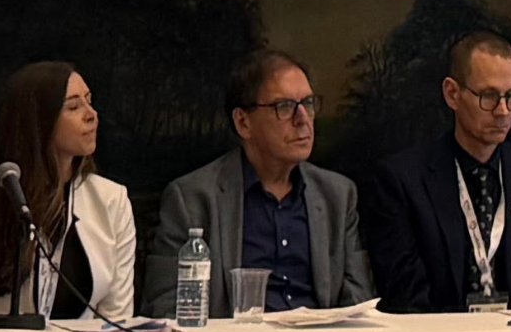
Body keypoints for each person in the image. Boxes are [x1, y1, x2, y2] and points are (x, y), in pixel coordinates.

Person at [141, 49, 373, 317]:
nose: (302, 119)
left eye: (308, 103)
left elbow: (358, 303)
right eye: (284, 107)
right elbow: (164, 310)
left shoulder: (338, 195)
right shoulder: (192, 198)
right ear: (243, 122)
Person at [366, 30, 511, 311]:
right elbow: (406, 298)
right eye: (489, 96)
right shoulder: (402, 180)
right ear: (452, 94)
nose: (503, 111)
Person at [0, 62, 136, 323]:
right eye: (73, 107)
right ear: (38, 123)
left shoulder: (112, 201)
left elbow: (117, 321)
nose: (91, 114)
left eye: (89, 101)